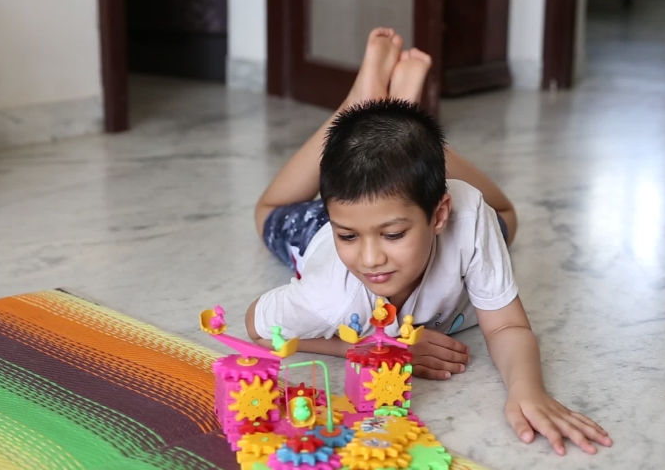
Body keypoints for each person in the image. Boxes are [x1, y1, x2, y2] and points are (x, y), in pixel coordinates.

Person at [244, 28, 612, 455]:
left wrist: (528, 391)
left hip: (434, 203)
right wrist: (369, 348)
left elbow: (508, 325)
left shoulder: (469, 216)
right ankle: (367, 107)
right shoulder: (330, 291)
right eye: (350, 236)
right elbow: (257, 325)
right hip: (315, 234)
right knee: (268, 212)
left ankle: (397, 121)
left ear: (440, 215)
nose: (369, 258)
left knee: (508, 217)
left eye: (394, 234)